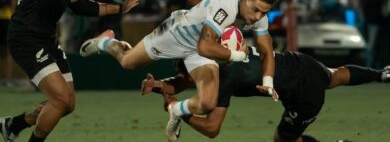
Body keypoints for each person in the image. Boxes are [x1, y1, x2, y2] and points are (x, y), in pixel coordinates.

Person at [79, 0, 281, 141]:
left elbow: (267, 50)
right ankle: (106, 42)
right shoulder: (225, 7)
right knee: (127, 62)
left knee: (208, 103)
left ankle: (175, 110)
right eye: (255, 10)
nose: (257, 17)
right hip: (177, 34)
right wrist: (237, 55)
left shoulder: (259, 15)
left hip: (202, 50)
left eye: (263, 12)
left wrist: (268, 82)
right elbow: (205, 45)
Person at [0, 0, 148, 142]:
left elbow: (81, 6)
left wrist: (120, 8)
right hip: (26, 38)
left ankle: (13, 125)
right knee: (60, 100)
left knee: (67, 104)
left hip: (46, 38)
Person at [141, 46, 390, 142]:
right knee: (336, 76)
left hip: (303, 94)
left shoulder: (225, 79)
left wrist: (178, 111)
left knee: (283, 140)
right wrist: (159, 87)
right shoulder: (220, 54)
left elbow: (212, 128)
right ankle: (381, 74)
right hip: (300, 62)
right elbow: (186, 80)